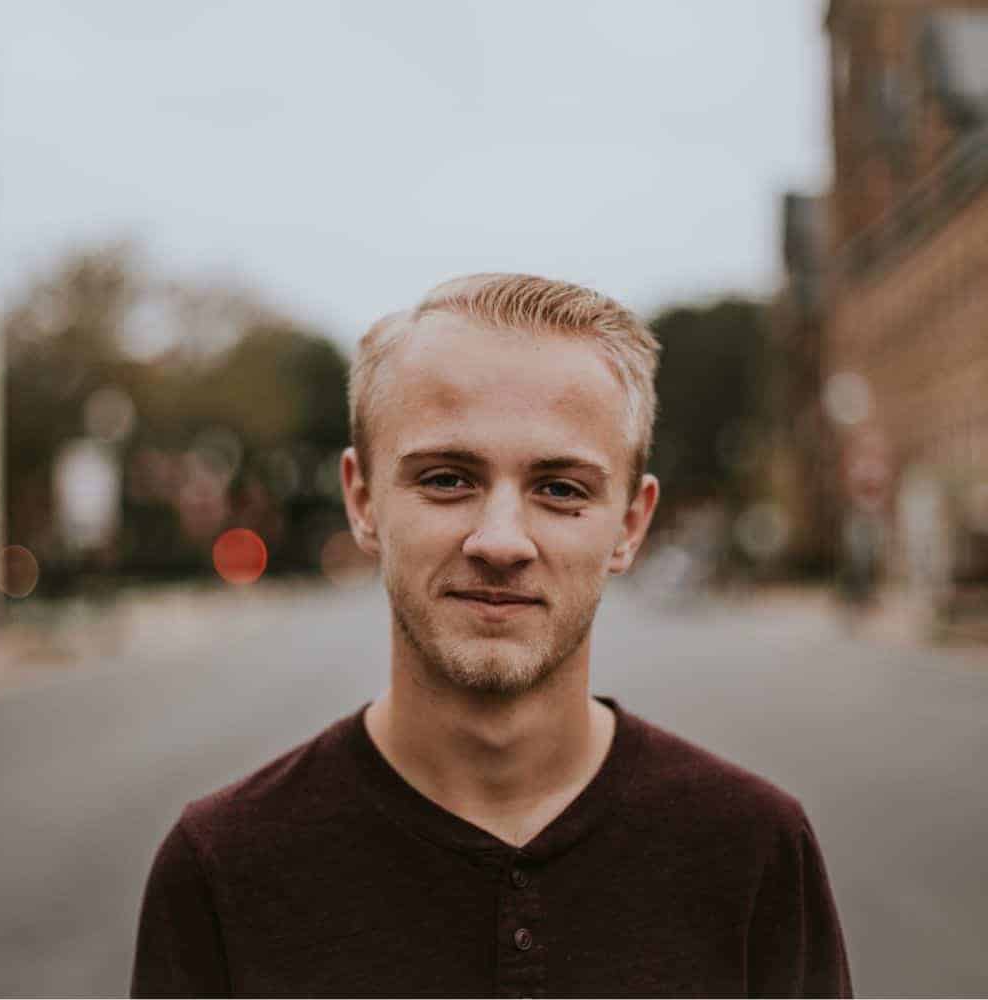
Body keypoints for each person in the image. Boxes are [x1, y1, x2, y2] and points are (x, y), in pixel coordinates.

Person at [130, 274, 853, 997]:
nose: (501, 542)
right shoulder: (223, 866)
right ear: (362, 501)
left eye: (561, 489)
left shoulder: (755, 850)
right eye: (447, 479)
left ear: (631, 524)